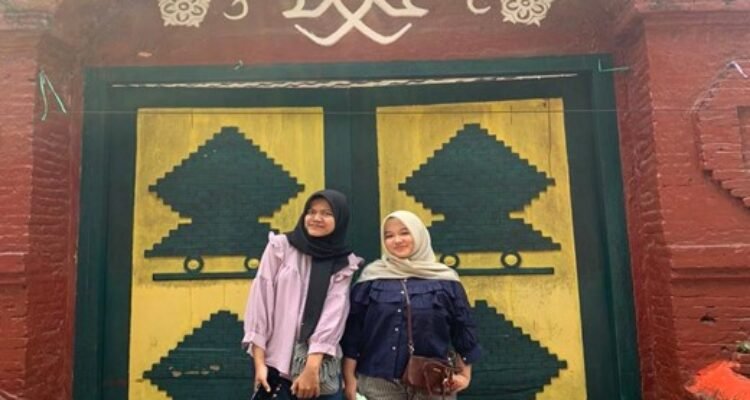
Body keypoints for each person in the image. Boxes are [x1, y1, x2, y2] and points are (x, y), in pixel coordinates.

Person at [341, 210, 481, 400]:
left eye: (404, 233)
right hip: (379, 384)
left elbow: (463, 327)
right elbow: (353, 333)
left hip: (432, 382)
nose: (397, 240)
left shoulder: (445, 280)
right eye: (389, 236)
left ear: (418, 234)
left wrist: (465, 374)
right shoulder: (371, 279)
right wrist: (349, 378)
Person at [243, 190, 362, 400]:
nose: (316, 218)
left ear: (340, 219)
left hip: (317, 371)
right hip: (274, 367)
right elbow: (260, 302)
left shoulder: (343, 262)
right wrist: (259, 364)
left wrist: (310, 369)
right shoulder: (280, 247)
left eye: (327, 213)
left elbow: (333, 315)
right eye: (311, 211)